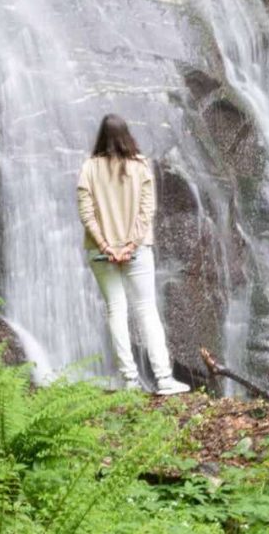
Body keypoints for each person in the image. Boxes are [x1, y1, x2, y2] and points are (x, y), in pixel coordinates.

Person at [77, 114, 189, 394]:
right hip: (137, 251)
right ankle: (163, 378)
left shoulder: (89, 168)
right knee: (146, 310)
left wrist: (106, 246)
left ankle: (128, 379)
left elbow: (86, 213)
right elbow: (147, 211)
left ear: (101, 137)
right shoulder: (140, 166)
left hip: (100, 252)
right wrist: (129, 245)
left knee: (116, 309)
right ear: (127, 135)